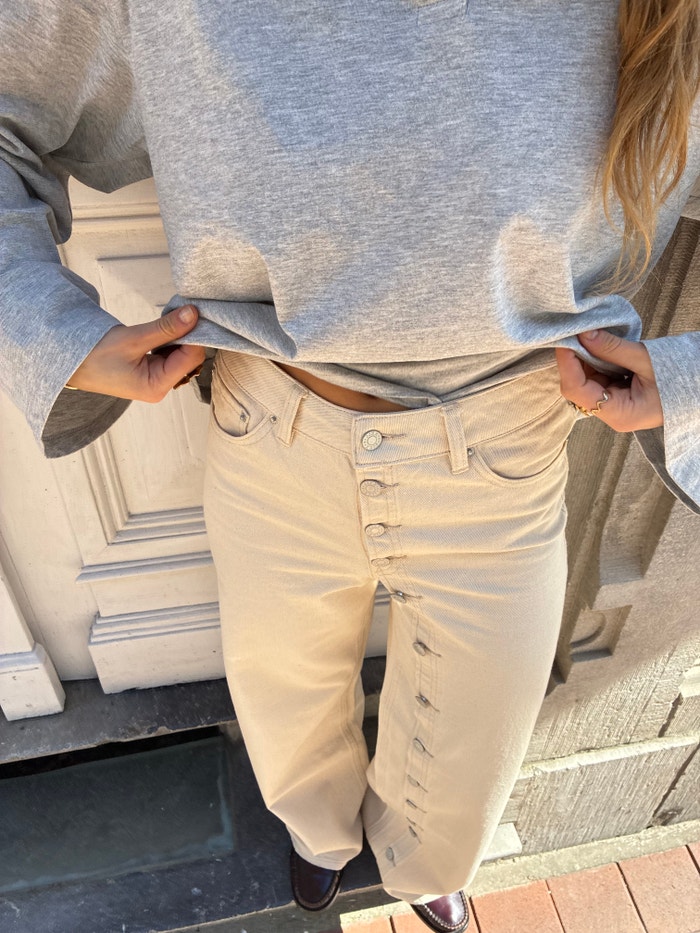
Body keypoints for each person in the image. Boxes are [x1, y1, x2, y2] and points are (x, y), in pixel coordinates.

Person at [1, 3, 699, 931]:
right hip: (271, 428)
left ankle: (423, 862)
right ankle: (320, 836)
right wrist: (48, 332)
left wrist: (689, 379)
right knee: (283, 699)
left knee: (471, 759)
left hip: (507, 446)